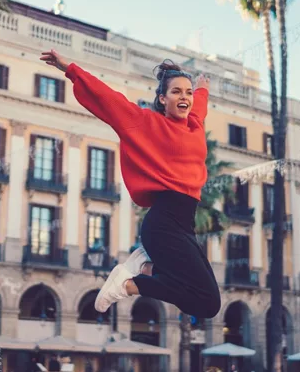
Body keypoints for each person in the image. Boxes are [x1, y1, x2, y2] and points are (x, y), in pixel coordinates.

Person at [40, 49, 221, 319]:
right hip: (164, 224)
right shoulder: (145, 122)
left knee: (208, 303)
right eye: (176, 92)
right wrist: (70, 69)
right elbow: (108, 99)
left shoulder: (194, 124)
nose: (184, 97)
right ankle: (127, 284)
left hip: (185, 225)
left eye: (188, 92)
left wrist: (203, 89)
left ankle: (146, 269)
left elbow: (200, 106)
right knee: (207, 302)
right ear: (162, 98)